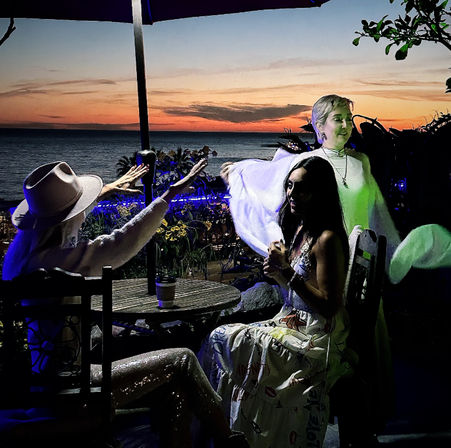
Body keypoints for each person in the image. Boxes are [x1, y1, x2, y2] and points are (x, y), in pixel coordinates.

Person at [2, 159, 248, 448]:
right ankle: (228, 440)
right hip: (75, 392)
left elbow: (64, 223)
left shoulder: (20, 258)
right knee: (183, 359)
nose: (84, 215)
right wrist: (168, 195)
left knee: (175, 391)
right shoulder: (63, 262)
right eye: (81, 209)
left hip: (40, 381)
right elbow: (121, 241)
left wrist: (106, 190)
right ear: (68, 219)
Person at [200, 157, 351, 448]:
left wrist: (287, 271)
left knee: (223, 338)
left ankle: (238, 436)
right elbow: (298, 291)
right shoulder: (302, 229)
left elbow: (329, 306)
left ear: (320, 193)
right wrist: (278, 274)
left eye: (302, 189)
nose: (292, 195)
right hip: (293, 322)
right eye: (290, 186)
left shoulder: (327, 239)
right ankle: (238, 433)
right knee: (226, 339)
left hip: (315, 336)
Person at [221, 94, 400, 262]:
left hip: (359, 260)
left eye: (349, 119)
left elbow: (377, 211)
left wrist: (390, 254)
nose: (346, 125)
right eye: (338, 119)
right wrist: (237, 172)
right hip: (323, 256)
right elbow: (268, 178)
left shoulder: (361, 162)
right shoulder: (305, 163)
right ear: (319, 125)